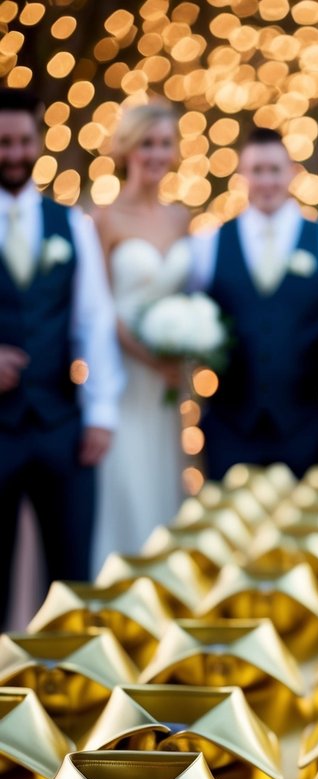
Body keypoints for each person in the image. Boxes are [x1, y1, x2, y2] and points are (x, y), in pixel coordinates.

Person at [0, 88, 121, 627]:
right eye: (4, 143)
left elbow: (94, 321)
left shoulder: (72, 225)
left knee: (71, 583)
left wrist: (99, 413)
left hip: (61, 425)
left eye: (24, 141)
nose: (15, 153)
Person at [189, 127, 318, 480]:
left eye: (274, 170)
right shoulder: (208, 244)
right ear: (242, 176)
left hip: (304, 428)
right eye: (257, 171)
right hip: (228, 428)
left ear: (292, 172)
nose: (266, 181)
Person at [91, 102, 190, 570]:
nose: (156, 153)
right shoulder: (104, 219)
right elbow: (98, 308)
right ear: (128, 149)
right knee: (125, 487)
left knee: (164, 485)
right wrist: (147, 356)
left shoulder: (180, 219)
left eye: (165, 144)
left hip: (168, 387)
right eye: (147, 143)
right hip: (124, 379)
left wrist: (188, 349)